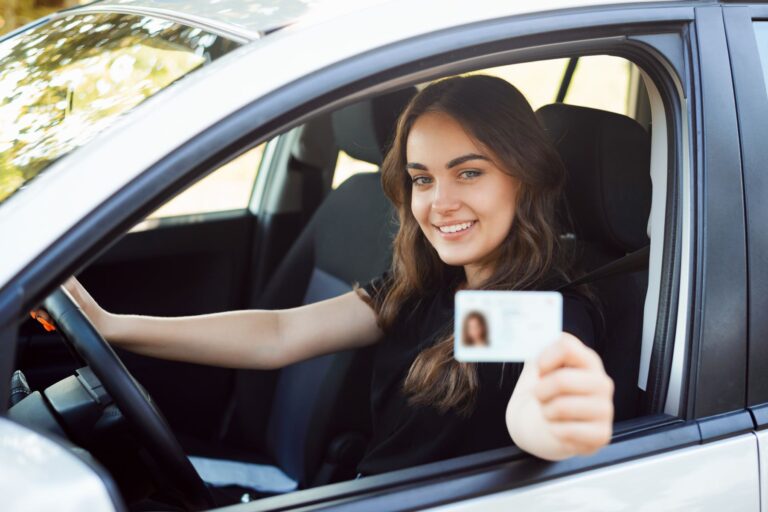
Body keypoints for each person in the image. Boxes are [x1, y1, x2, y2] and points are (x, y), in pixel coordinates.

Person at [39, 74, 614, 475]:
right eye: (422, 178)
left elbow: (539, 404)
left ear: (524, 176)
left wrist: (558, 422)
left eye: (469, 173)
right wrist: (109, 325)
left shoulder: (538, 309)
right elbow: (279, 334)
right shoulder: (432, 287)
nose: (440, 203)